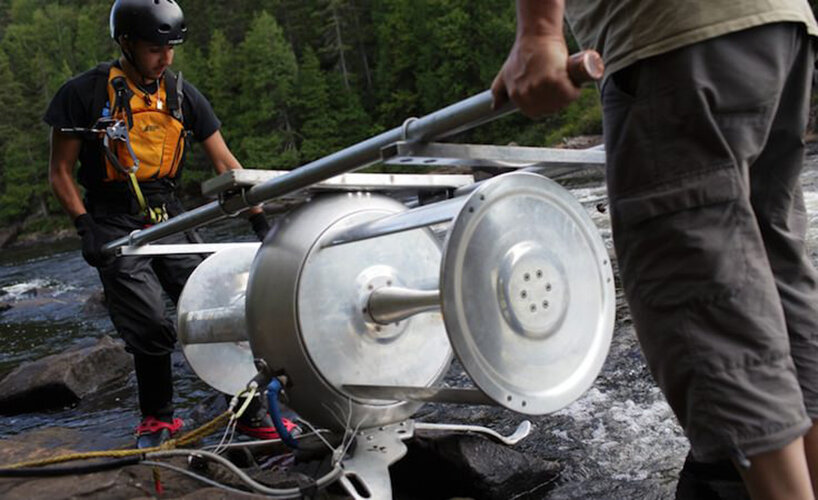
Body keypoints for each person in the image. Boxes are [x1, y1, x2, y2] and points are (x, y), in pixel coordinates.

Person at [492, 1, 818, 499]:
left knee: (708, 306)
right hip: (777, 28)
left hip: (674, 39)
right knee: (777, 279)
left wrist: (538, 34)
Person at [46, 0, 277, 448]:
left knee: (221, 309)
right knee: (150, 323)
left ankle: (248, 412)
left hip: (168, 212)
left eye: (171, 48)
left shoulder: (181, 95)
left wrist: (259, 218)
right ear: (126, 43)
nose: (166, 59)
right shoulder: (83, 94)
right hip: (112, 218)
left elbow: (225, 161)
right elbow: (59, 172)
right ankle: (158, 419)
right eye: (155, 49)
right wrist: (83, 226)